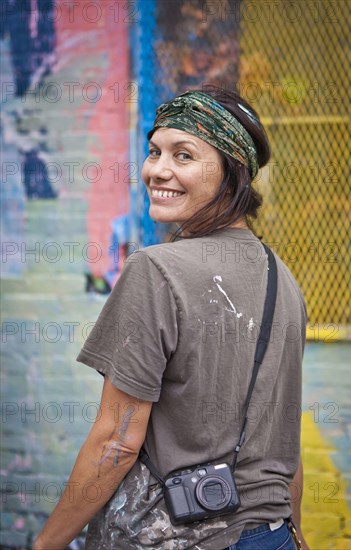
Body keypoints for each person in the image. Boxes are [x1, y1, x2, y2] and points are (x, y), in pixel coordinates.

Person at [34, 86, 309, 550]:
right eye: (155, 151)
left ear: (232, 173)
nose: (157, 170)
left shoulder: (155, 270)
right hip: (273, 535)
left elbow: (115, 444)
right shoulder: (282, 278)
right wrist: (297, 532)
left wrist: (46, 544)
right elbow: (286, 443)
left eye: (184, 156)